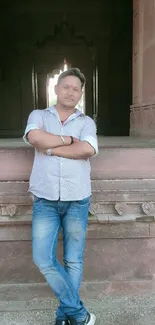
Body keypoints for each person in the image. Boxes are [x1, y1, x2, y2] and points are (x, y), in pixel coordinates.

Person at [23, 68, 98, 325]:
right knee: (43, 258)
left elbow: (87, 148)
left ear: (80, 93)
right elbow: (34, 137)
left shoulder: (86, 122)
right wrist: (67, 139)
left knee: (73, 260)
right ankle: (79, 314)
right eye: (66, 86)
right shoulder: (39, 115)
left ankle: (64, 317)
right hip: (45, 198)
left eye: (76, 88)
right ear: (56, 88)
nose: (70, 92)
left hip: (77, 198)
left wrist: (52, 150)